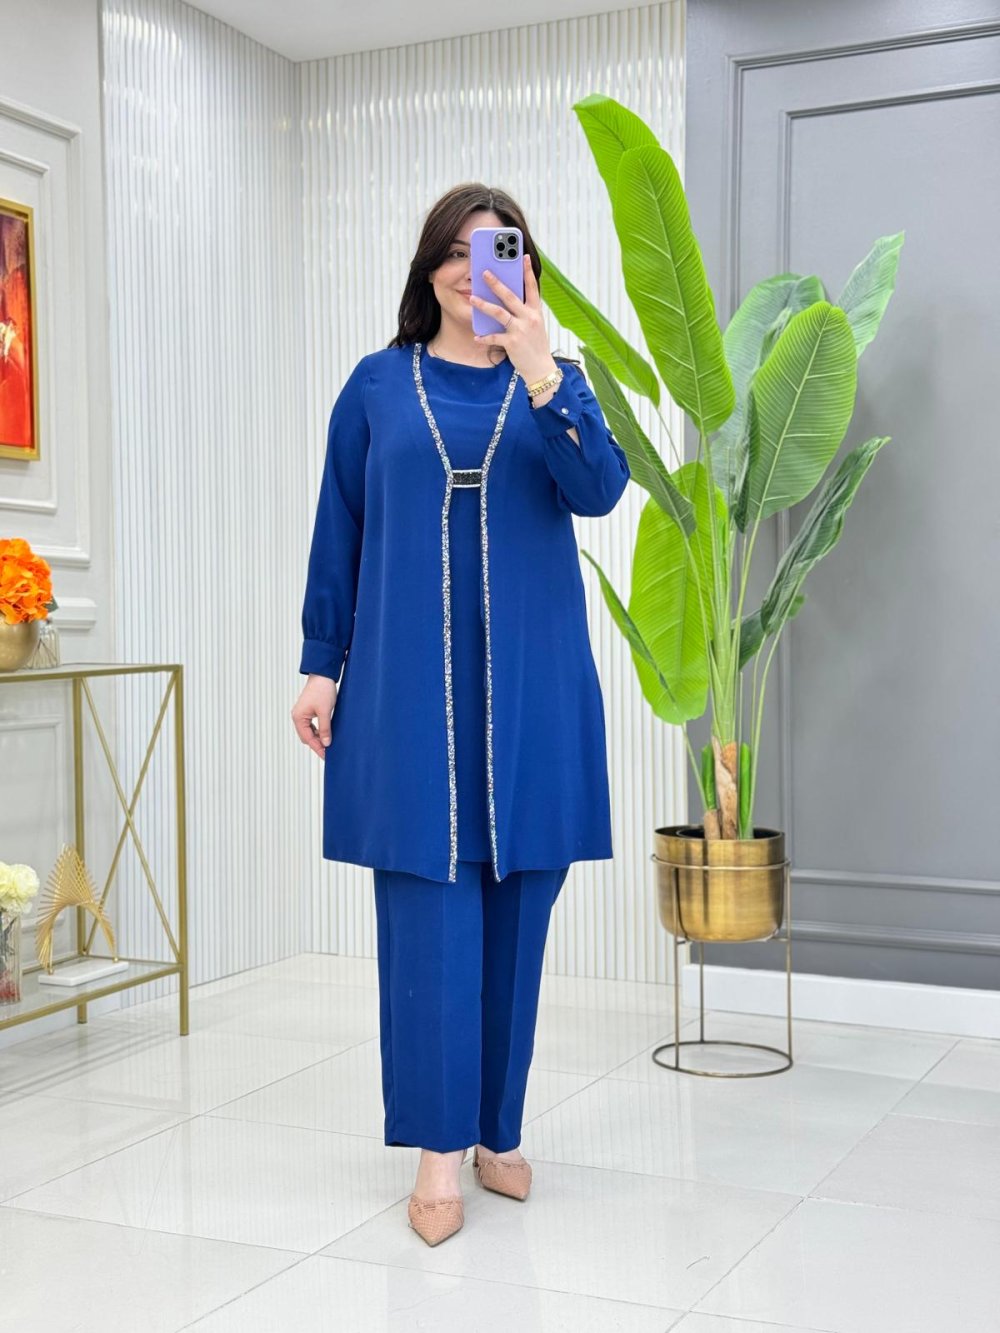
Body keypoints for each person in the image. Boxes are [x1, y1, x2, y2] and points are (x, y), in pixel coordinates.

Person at [291, 183, 629, 1246]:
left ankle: (497, 1130)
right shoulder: (376, 385)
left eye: (494, 251)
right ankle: (440, 1150)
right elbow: (340, 526)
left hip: (530, 694)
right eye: (453, 248)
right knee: (428, 919)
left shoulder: (556, 382)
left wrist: (542, 371)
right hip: (407, 694)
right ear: (428, 265)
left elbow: (601, 490)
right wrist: (320, 664)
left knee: (518, 917)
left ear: (525, 269)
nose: (467, 267)